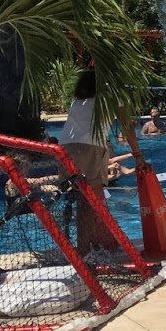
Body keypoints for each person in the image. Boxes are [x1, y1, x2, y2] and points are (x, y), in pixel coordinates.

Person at [58, 68, 111, 253]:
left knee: (81, 199)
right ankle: (85, 249)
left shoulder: (77, 101)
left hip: (64, 149)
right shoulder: (107, 98)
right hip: (89, 147)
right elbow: (127, 125)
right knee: (92, 200)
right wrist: (137, 155)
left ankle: (88, 243)